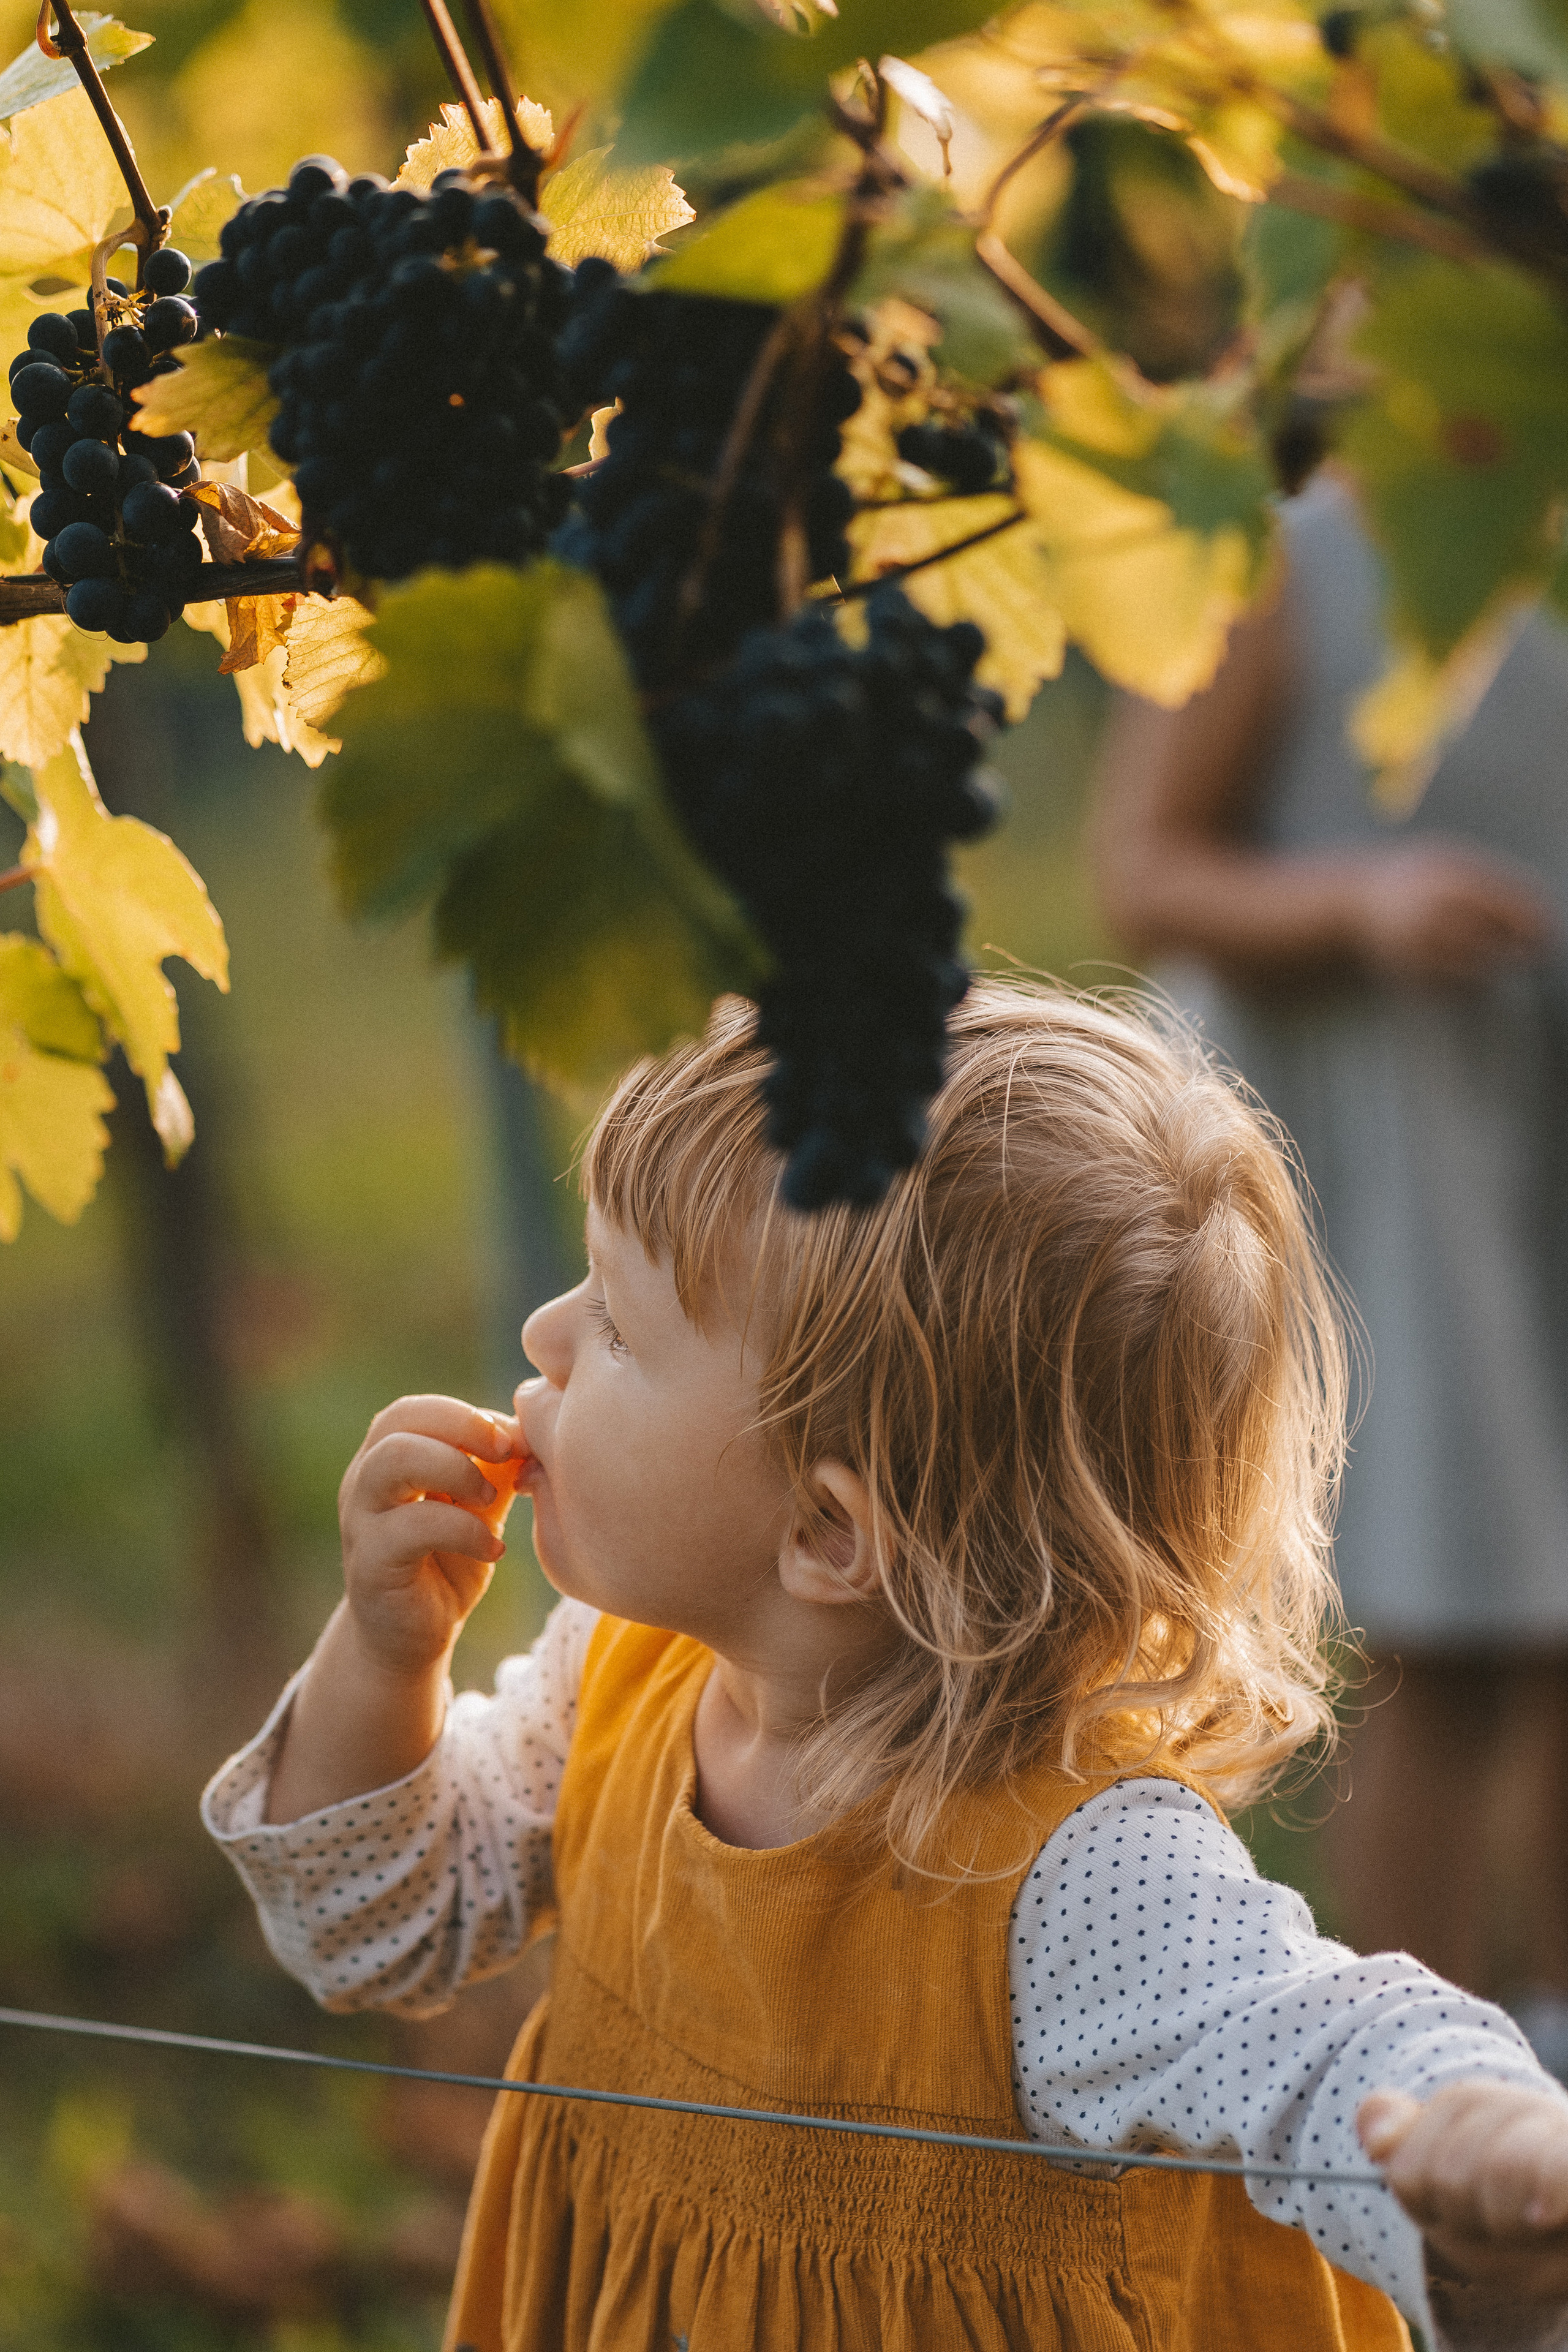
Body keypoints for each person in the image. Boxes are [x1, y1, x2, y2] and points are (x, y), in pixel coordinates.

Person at [204, 982, 1568, 2351]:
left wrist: (1482, 2137)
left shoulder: (1066, 1876)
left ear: (825, 1532)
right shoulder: (617, 1687)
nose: (543, 1339)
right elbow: (363, 1926)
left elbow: (1321, 2045)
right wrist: (386, 1658)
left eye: (618, 1325)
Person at [1092, 470, 1568, 2035]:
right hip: (1379, 1153)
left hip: (1533, 1127)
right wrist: (1364, 907)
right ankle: (1418, 2103)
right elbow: (1141, 867)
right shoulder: (1289, 565)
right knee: (1441, 1622)